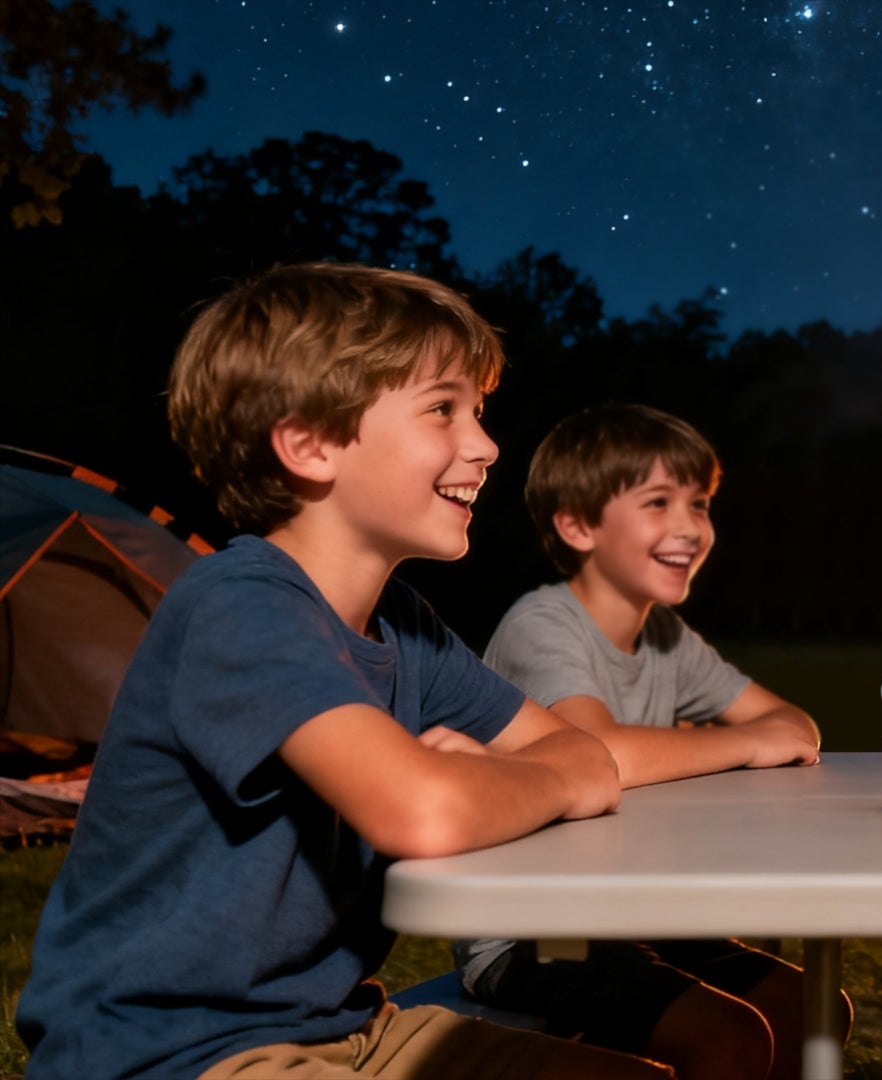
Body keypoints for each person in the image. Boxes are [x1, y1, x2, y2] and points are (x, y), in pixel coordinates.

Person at [14, 264, 664, 1079]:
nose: (486, 445)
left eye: (480, 412)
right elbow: (423, 813)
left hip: (338, 1025)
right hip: (162, 1053)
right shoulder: (240, 606)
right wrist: (503, 780)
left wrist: (523, 773)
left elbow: (582, 752)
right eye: (443, 409)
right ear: (310, 444)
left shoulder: (405, 627)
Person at [453, 402, 845, 1080]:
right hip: (534, 929)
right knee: (728, 1038)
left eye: (700, 504)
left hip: (632, 910)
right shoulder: (543, 625)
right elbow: (595, 754)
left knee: (814, 1006)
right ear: (577, 526)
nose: (690, 528)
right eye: (659, 503)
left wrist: (742, 738)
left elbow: (794, 727)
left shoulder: (668, 635)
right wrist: (740, 744)